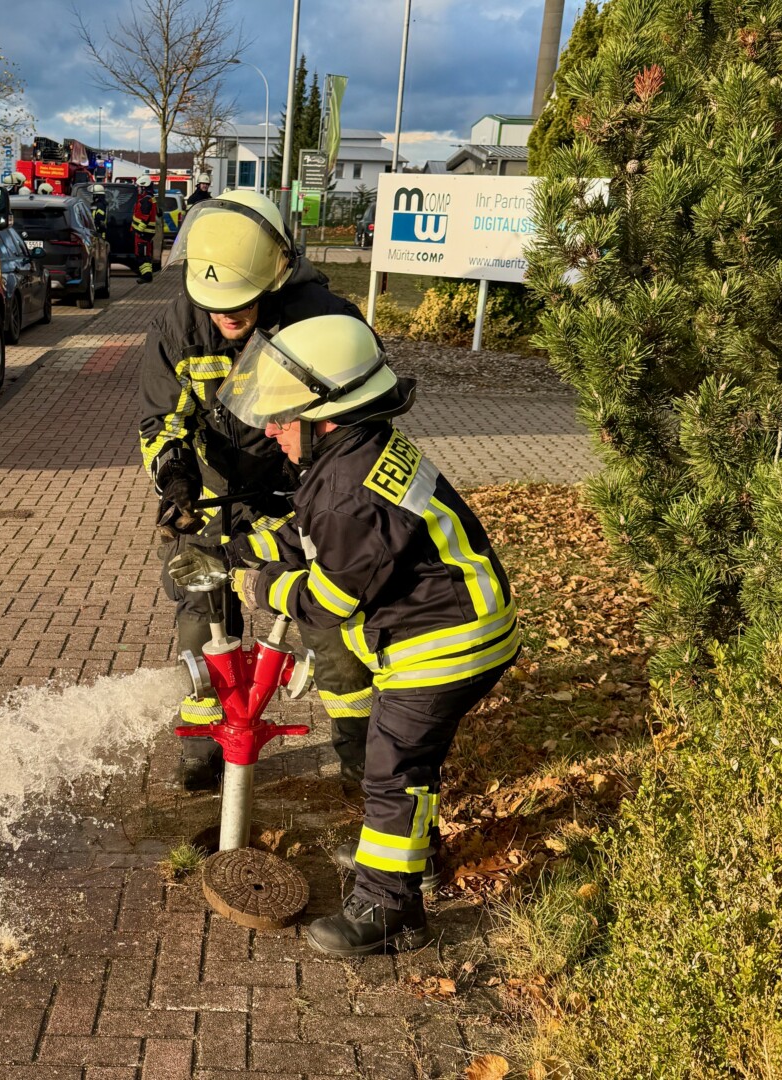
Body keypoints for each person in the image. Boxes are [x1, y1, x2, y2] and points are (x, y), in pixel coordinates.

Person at [170, 313, 520, 956]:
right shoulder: (359, 448)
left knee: (393, 772)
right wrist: (245, 545)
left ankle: (390, 910)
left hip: (442, 643)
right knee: (406, 766)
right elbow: (316, 531)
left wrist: (260, 586)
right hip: (464, 618)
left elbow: (328, 601)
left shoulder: (344, 490)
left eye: (282, 418)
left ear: (325, 415)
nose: (271, 430)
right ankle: (412, 859)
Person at [138, 189, 377, 793]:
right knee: (202, 606)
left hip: (304, 495)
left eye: (241, 302)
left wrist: (323, 494)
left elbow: (357, 420)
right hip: (217, 495)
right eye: (215, 304)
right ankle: (204, 743)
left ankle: (359, 754)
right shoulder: (181, 324)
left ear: (273, 275)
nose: (227, 316)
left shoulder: (322, 319)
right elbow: (162, 419)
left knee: (330, 620)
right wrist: (175, 476)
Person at [131, 175, 159, 283]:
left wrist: (139, 230)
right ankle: (146, 275)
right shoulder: (150, 198)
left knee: (142, 255)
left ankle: (146, 276)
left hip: (143, 233)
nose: (138, 189)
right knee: (144, 254)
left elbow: (145, 217)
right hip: (146, 233)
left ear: (144, 187)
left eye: (139, 187)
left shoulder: (146, 200)